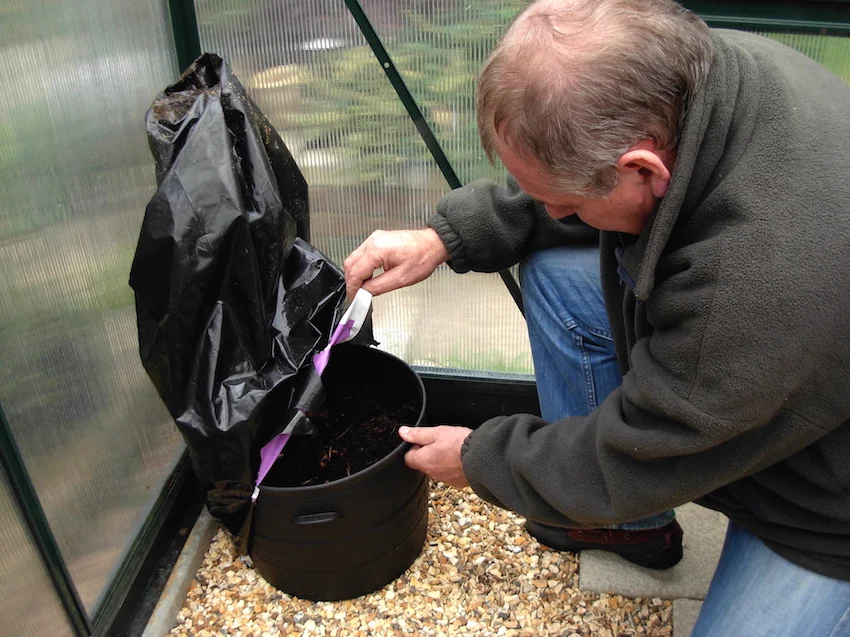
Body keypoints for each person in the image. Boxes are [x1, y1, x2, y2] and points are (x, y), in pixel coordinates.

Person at [343, 0, 850, 634]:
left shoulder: (750, 287)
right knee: (558, 275)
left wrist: (481, 459)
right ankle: (627, 527)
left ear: (643, 170)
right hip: (783, 365)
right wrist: (444, 238)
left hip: (828, 497)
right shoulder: (694, 76)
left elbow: (639, 454)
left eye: (567, 204)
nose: (554, 215)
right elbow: (562, 176)